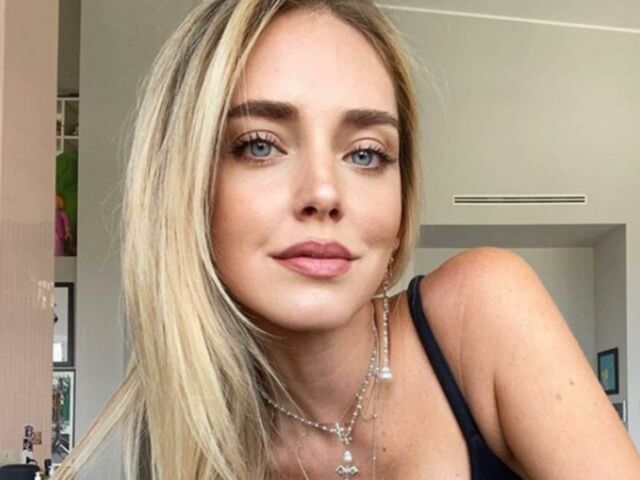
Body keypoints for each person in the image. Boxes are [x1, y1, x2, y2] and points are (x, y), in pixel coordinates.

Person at [54, 1, 640, 479]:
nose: (324, 192)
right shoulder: (174, 447)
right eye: (260, 144)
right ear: (183, 184)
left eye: (365, 153)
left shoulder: (481, 312)